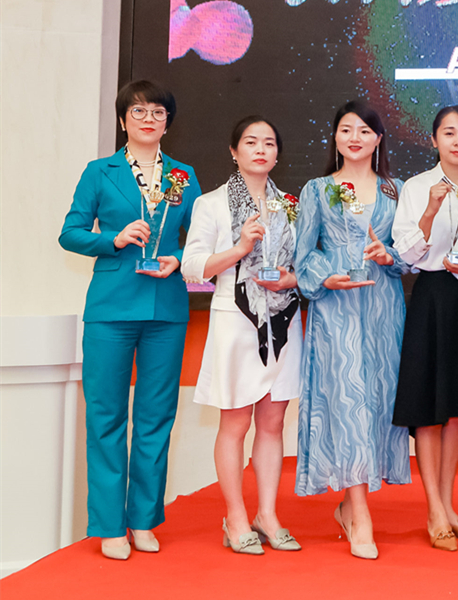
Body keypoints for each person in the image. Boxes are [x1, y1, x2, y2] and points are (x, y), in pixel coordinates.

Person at [59, 80, 202, 560]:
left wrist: (178, 259)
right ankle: (108, 525)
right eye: (138, 111)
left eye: (157, 111)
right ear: (123, 120)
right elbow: (71, 233)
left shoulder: (183, 175)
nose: (148, 119)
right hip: (111, 309)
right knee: (106, 416)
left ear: (167, 122)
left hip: (166, 308)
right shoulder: (100, 171)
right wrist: (114, 239)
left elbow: (199, 239)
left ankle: (143, 519)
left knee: (156, 418)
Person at [293, 100, 411, 560]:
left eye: (364, 130)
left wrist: (390, 256)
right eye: (346, 129)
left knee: (377, 402)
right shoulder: (317, 189)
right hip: (337, 308)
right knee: (347, 402)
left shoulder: (396, 190)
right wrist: (326, 277)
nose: (355, 137)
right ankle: (360, 513)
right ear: (336, 137)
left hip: (383, 308)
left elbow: (410, 254)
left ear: (378, 138)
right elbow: (303, 254)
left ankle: (349, 504)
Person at [182, 116, 302, 555]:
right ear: (234, 152)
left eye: (269, 143)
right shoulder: (211, 203)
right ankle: (235, 517)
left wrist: (290, 278)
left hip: (283, 321)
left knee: (273, 423)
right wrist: (239, 249)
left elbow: (302, 265)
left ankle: (266, 514)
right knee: (235, 423)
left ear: (277, 154)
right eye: (251, 142)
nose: (261, 149)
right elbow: (192, 267)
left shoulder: (289, 204)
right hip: (236, 322)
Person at [391, 105, 458, 551]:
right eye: (449, 133)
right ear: (434, 140)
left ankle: (450, 508)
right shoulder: (416, 187)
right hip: (433, 298)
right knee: (429, 408)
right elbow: (406, 255)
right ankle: (434, 508)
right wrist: (431, 210)